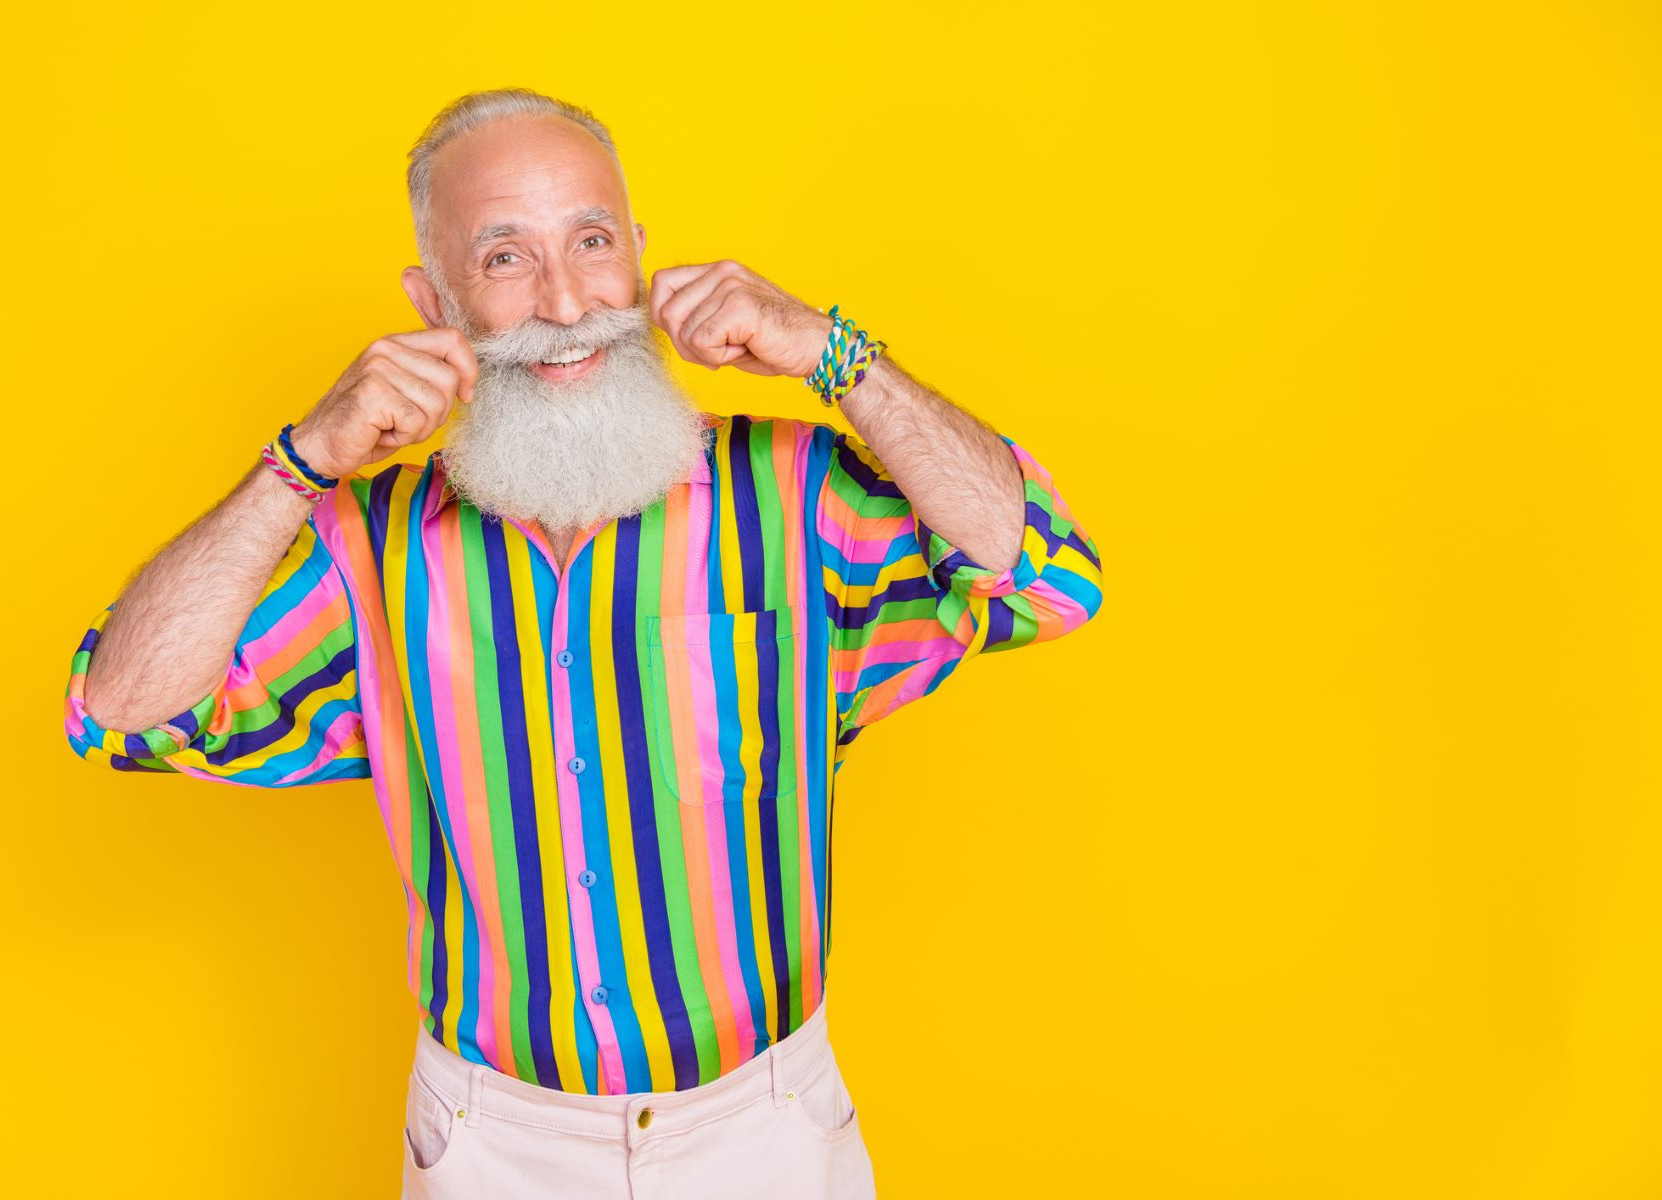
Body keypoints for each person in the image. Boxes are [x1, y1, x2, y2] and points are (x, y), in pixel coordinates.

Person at [62, 87, 1106, 1199]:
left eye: (592, 243)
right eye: (504, 257)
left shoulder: (799, 492)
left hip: (765, 1128)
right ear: (435, 299)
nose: (566, 302)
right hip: (490, 1142)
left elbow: (1046, 575)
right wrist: (301, 459)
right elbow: (123, 711)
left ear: (642, 256)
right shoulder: (371, 544)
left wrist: (834, 355)